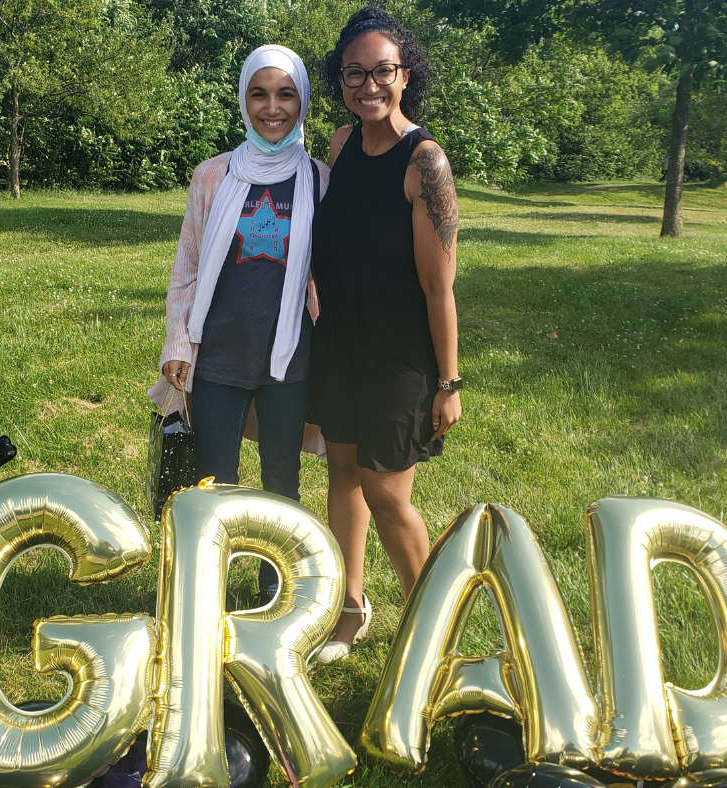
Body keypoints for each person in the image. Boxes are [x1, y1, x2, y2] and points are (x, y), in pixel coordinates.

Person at [148, 45, 329, 603]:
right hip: (219, 357)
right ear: (244, 98)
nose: (272, 107)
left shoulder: (319, 180)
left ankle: (278, 597)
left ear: (301, 100)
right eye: (260, 93)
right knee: (212, 483)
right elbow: (188, 267)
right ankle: (206, 596)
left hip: (288, 360)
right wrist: (178, 341)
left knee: (282, 485)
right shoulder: (213, 177)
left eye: (285, 94)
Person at [308, 7, 461, 662]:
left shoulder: (423, 162)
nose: (368, 84)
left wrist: (449, 382)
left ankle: (434, 635)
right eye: (354, 72)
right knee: (342, 473)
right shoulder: (341, 147)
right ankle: (350, 608)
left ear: (406, 76)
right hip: (338, 341)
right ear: (340, 80)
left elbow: (438, 286)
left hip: (400, 355)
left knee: (388, 494)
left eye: (382, 71)